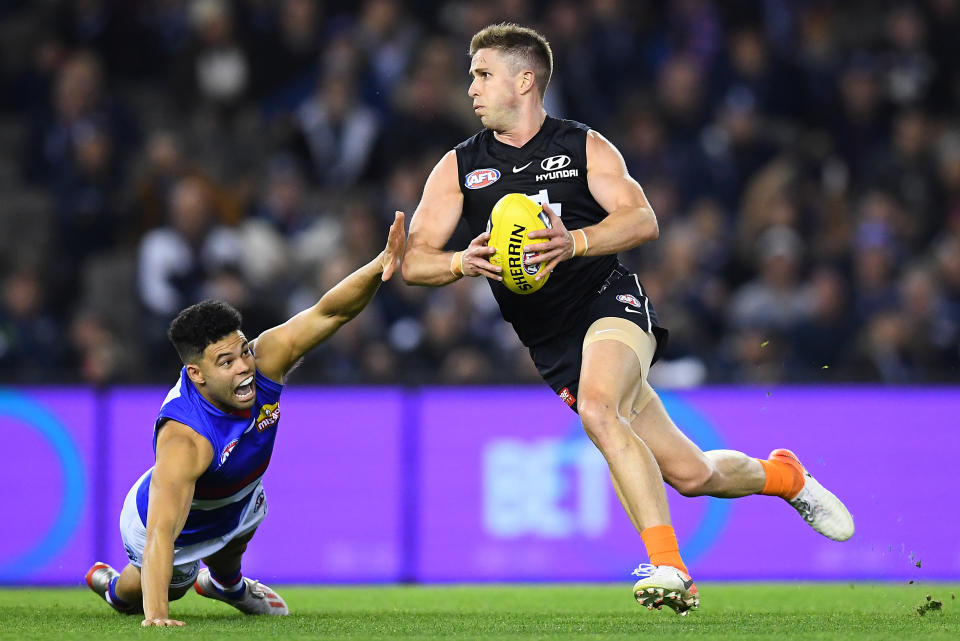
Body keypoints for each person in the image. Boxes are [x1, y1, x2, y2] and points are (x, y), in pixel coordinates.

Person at [401, 23, 854, 615]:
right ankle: (785, 476)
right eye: (472, 76)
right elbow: (413, 260)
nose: (471, 88)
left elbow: (643, 219)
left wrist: (578, 242)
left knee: (597, 408)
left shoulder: (581, 146)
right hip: (551, 339)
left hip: (608, 301)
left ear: (526, 79)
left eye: (483, 74)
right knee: (691, 475)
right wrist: (462, 260)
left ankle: (669, 567)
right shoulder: (461, 166)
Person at [86, 212, 406, 626]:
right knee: (165, 586)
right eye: (226, 362)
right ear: (196, 374)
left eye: (242, 351)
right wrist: (158, 617)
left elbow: (330, 313)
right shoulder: (186, 438)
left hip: (236, 496)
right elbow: (161, 534)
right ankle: (112, 586)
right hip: (169, 525)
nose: (243, 367)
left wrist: (380, 264)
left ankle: (226, 585)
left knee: (246, 517)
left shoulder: (265, 358)